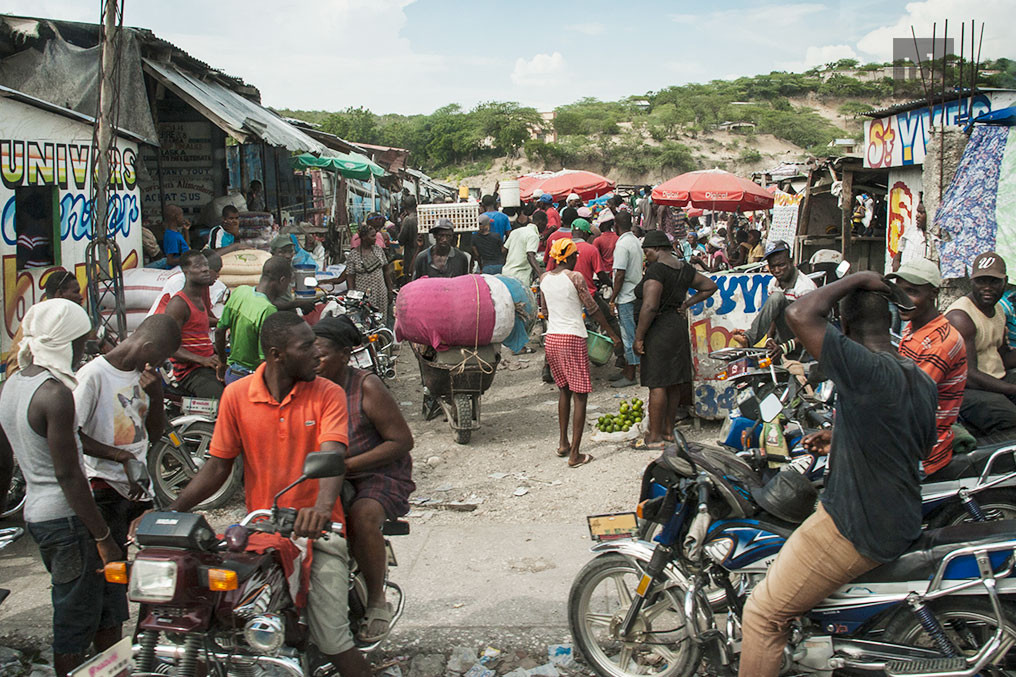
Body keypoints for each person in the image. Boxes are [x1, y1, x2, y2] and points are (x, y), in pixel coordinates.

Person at [151, 312, 370, 677]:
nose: (317, 353)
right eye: (306, 346)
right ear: (276, 354)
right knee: (219, 620)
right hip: (262, 530)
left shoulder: (327, 393)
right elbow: (219, 465)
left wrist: (319, 509)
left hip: (319, 530)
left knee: (332, 641)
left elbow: (332, 455)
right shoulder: (236, 396)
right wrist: (172, 510)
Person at [740, 271, 937, 676]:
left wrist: (861, 276)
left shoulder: (861, 367)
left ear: (843, 327)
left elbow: (798, 313)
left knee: (761, 613)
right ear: (890, 323)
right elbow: (911, 443)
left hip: (854, 526)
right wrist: (842, 437)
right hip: (900, 514)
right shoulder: (917, 377)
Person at [0, 299, 120, 677]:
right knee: (75, 618)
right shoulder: (55, 394)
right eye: (81, 342)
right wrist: (102, 535)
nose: (83, 349)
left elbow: (7, 460)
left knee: (101, 607)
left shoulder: (13, 383)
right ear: (66, 342)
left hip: (40, 514)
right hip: (68, 521)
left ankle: (113, 670)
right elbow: (69, 475)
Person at [312, 316, 414, 644]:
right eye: (310, 355)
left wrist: (347, 464)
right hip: (329, 472)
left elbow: (400, 442)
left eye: (322, 355)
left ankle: (375, 602)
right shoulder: (308, 387)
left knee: (362, 516)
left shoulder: (365, 386)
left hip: (378, 472)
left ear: (344, 354)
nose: (315, 362)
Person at [75, 315, 181, 624]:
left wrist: (157, 393)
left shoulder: (144, 377)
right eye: (158, 358)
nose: (157, 366)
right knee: (110, 577)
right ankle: (108, 649)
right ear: (146, 346)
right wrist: (119, 457)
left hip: (138, 488)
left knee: (151, 571)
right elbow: (73, 434)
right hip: (104, 488)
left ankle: (141, 642)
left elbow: (155, 433)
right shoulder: (94, 375)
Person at [539, 239, 621, 468]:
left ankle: (563, 443)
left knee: (563, 390)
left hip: (552, 339)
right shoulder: (575, 278)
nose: (577, 259)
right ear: (569, 257)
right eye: (575, 256)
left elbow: (545, 311)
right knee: (581, 395)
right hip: (572, 338)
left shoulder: (544, 279)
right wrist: (613, 335)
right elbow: (592, 308)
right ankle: (575, 454)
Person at [631, 231, 717, 447]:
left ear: (657, 249)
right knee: (674, 382)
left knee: (657, 383)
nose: (646, 256)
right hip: (677, 327)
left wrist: (639, 337)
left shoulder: (657, 270)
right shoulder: (684, 268)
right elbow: (709, 286)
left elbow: (650, 305)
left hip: (658, 329)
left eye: (647, 252)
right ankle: (669, 431)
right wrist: (686, 304)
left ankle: (654, 435)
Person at [889, 259, 966, 475]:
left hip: (922, 450)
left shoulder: (941, 342)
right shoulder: (913, 328)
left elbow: (907, 401)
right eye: (899, 292)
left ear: (933, 294)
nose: (902, 300)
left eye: (911, 292)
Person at [945, 252, 1016, 436]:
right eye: (981, 281)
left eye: (993, 282)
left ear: (1004, 282)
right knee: (1011, 419)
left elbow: (1003, 358)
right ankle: (991, 458)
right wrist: (1012, 389)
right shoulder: (961, 316)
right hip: (965, 389)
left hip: (994, 380)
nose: (987, 287)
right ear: (971, 280)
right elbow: (970, 376)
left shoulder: (998, 309)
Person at [734, 240, 817, 360]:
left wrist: (785, 347)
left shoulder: (804, 288)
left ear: (791, 261)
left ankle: (748, 339)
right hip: (783, 339)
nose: (777, 270)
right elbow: (773, 315)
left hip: (804, 343)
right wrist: (769, 338)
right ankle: (748, 339)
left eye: (781, 265)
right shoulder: (773, 283)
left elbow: (811, 328)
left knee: (777, 297)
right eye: (772, 266)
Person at [157, 250, 223, 398]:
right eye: (198, 266)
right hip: (190, 372)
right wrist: (203, 360)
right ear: (185, 271)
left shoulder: (200, 297)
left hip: (207, 365)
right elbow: (170, 347)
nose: (205, 269)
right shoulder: (179, 304)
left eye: (206, 265)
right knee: (223, 399)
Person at [215, 256, 291, 384]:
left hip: (232, 374)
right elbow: (265, 360)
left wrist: (222, 361)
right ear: (282, 280)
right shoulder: (268, 309)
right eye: (289, 283)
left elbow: (219, 331)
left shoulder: (240, 291)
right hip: (250, 379)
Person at [6, 271, 85, 376]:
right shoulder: (42, 317)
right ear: (59, 294)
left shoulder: (60, 315)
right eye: (76, 292)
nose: (80, 297)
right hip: (25, 379)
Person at [146, 250, 228, 318]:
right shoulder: (178, 282)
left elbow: (206, 314)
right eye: (216, 271)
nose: (218, 276)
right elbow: (188, 316)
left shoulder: (205, 287)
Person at [342, 215, 394, 319]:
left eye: (375, 236)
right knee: (366, 321)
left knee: (380, 320)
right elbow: (350, 277)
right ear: (364, 238)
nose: (375, 239)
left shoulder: (378, 250)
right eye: (372, 236)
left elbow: (386, 271)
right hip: (363, 296)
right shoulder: (354, 255)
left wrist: (389, 290)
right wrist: (352, 296)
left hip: (380, 292)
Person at [502, 209, 543, 286]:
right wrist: (541, 274)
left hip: (506, 272)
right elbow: (530, 255)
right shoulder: (533, 236)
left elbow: (504, 250)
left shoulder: (515, 232)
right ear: (540, 223)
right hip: (520, 276)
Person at [892, 195, 931, 271]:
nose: (917, 216)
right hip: (904, 273)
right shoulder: (911, 231)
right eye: (917, 212)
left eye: (921, 213)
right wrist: (896, 262)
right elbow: (900, 250)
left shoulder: (931, 238)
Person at [398, 196, 420, 277]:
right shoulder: (422, 217)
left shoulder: (408, 220)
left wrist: (401, 223)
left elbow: (401, 241)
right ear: (416, 205)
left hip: (411, 255)